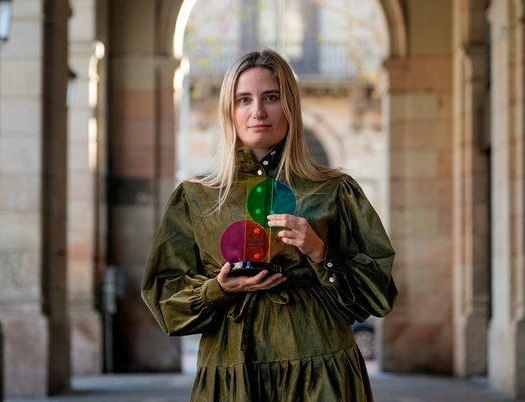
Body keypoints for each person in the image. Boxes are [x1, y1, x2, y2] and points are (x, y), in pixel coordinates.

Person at [142, 49, 397, 401]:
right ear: (229, 111)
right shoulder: (196, 197)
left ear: (289, 105)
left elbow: (377, 294)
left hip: (320, 374)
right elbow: (165, 297)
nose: (257, 111)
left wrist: (320, 252)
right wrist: (217, 289)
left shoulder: (333, 190)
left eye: (271, 98)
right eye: (243, 99)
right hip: (233, 376)